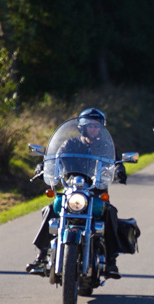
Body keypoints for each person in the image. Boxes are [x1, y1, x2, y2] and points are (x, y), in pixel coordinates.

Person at [26, 108, 126, 279]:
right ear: (82, 128)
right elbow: (56, 158)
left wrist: (119, 169)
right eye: (90, 126)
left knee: (110, 212)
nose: (94, 129)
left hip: (95, 192)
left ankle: (111, 261)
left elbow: (115, 161)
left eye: (96, 126)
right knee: (51, 209)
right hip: (72, 191)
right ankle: (41, 257)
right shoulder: (70, 144)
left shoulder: (107, 146)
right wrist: (43, 166)